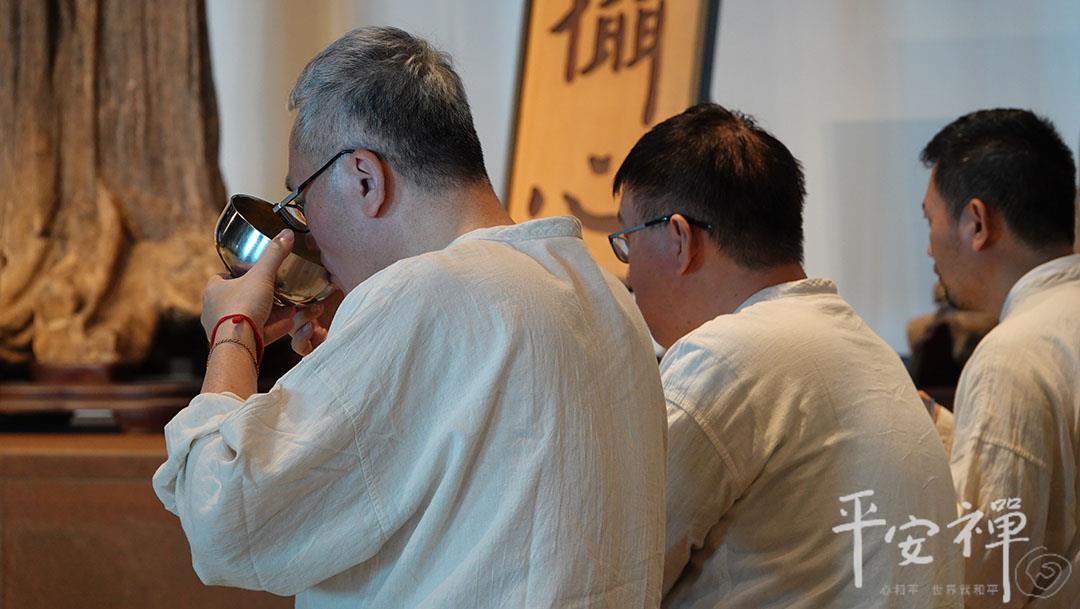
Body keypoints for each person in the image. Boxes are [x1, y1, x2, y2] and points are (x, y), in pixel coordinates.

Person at [152, 27, 667, 608]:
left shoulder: (425, 294)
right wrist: (347, 361)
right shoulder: (605, 296)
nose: (307, 231)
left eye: (302, 201)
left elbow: (225, 520)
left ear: (365, 178)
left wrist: (234, 333)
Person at [609, 103, 961, 608]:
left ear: (679, 237)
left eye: (627, 241)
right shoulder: (865, 347)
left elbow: (615, 573)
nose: (628, 275)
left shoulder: (725, 357)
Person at [919, 108, 1079, 608]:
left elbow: (978, 579)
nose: (929, 249)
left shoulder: (1011, 355)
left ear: (977, 221)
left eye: (930, 220)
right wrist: (943, 430)